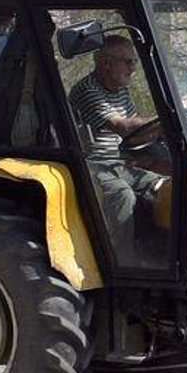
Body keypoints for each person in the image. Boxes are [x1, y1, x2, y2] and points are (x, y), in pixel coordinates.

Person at [68, 35, 166, 264]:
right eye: (128, 61)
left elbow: (136, 135)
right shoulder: (86, 90)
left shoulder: (120, 90)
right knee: (121, 195)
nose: (133, 68)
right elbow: (122, 127)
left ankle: (158, 255)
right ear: (106, 63)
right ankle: (123, 263)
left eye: (134, 61)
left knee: (165, 186)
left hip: (119, 162)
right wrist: (167, 118)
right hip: (91, 164)